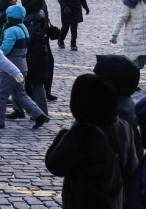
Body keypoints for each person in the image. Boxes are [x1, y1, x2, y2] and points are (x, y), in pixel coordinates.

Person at [45, 73, 138, 208]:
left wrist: (66, 132)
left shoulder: (82, 134)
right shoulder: (123, 127)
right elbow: (131, 171)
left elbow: (55, 165)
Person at [0, 5, 48, 129]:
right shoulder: (23, 27)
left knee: (0, 93)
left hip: (10, 67)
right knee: (20, 94)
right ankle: (40, 115)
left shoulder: (10, 30)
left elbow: (5, 50)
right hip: (23, 65)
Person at [23, 0, 57, 107]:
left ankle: (45, 90)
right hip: (39, 37)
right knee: (43, 64)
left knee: (47, 63)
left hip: (42, 34)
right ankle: (42, 92)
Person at [112, 0, 146, 69]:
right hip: (133, 40)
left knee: (141, 62)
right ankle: (131, 79)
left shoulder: (144, 2)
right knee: (133, 66)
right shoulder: (128, 5)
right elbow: (121, 19)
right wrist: (114, 35)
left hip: (144, 39)